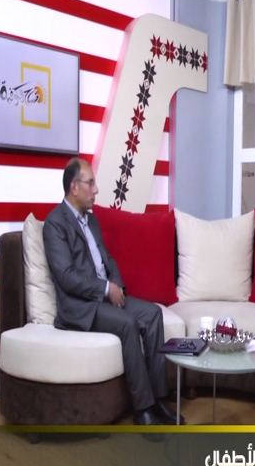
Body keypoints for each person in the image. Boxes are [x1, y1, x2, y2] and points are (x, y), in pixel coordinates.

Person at [42, 157, 182, 426]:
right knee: (128, 323)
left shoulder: (91, 221)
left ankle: (160, 400)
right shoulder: (55, 224)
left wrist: (116, 286)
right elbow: (66, 277)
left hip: (105, 298)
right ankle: (143, 409)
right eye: (91, 183)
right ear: (74, 187)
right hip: (80, 307)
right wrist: (106, 289)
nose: (96, 190)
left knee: (153, 314)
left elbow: (108, 260)